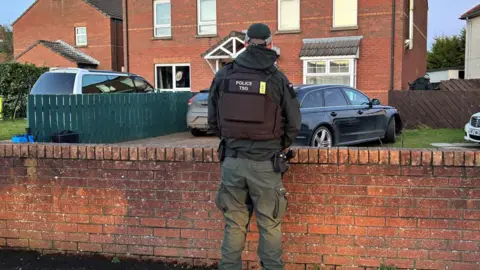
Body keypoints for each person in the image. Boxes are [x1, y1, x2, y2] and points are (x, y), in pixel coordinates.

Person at [208, 23, 301, 270]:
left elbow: (213, 121)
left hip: (232, 162)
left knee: (234, 225)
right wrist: (275, 146)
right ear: (270, 43)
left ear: (246, 43)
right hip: (266, 164)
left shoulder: (224, 75)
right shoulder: (277, 78)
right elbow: (294, 124)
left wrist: (233, 141)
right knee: (269, 225)